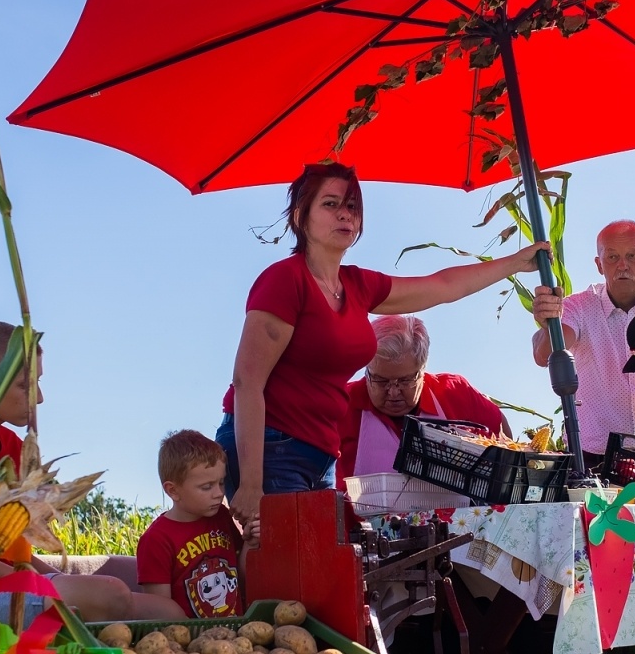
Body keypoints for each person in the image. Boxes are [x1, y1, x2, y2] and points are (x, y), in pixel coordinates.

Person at [218, 162, 549, 526]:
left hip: (321, 454)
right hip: (272, 446)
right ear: (301, 215)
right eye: (330, 204)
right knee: (277, 558)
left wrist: (516, 262)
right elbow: (247, 381)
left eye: (353, 206)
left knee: (317, 568)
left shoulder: (357, 285)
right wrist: (250, 483)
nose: (345, 214)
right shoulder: (285, 280)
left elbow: (442, 286)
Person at [0, 320, 185, 627]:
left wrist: (50, 577)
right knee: (109, 594)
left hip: (4, 585)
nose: (39, 397)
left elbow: (15, 551)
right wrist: (41, 582)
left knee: (169, 612)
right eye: (26, 385)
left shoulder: (14, 449)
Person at [529, 220, 635, 470]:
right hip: (590, 459)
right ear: (599, 264)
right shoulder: (578, 308)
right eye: (613, 257)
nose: (623, 265)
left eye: (632, 255)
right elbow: (545, 355)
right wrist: (546, 321)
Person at [336, 315, 510, 481]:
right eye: (381, 381)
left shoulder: (454, 392)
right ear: (367, 371)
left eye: (405, 381)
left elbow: (501, 431)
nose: (394, 392)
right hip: (363, 512)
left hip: (456, 512)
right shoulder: (340, 405)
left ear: (422, 371)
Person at [137, 430, 253, 618]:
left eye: (222, 483)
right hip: (189, 642)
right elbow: (158, 612)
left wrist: (250, 542)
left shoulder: (221, 517)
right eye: (207, 487)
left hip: (235, 634)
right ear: (173, 490)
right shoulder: (156, 540)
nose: (218, 493)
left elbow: (240, 575)